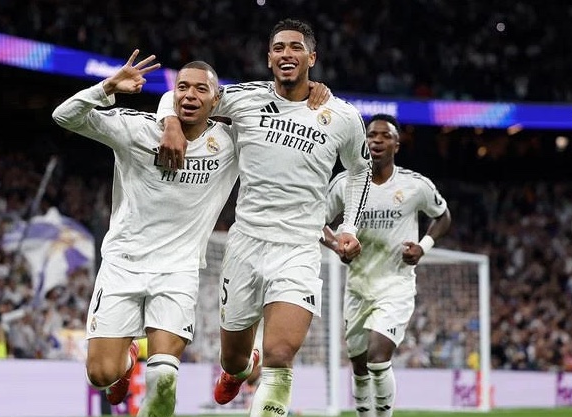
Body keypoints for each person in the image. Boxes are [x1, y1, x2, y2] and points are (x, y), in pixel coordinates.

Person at [156, 19, 372, 415]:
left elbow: (361, 169)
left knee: (280, 354)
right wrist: (170, 123)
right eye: (278, 48)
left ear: (312, 57)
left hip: (299, 249)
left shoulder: (341, 115)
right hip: (246, 244)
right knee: (233, 358)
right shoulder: (244, 98)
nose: (286, 54)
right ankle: (240, 369)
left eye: (295, 47)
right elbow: (181, 94)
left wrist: (348, 227)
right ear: (269, 57)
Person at [52, 51, 239, 416]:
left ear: (216, 100)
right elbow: (64, 116)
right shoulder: (136, 129)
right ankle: (127, 359)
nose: (190, 95)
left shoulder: (230, 143)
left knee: (164, 377)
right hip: (123, 265)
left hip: (178, 271)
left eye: (201, 89)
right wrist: (107, 87)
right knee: (100, 374)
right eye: (182, 87)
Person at [324, 114, 451, 417]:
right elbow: (316, 220)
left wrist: (423, 246)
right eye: (371, 135)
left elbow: (443, 216)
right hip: (358, 287)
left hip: (396, 285)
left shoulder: (415, 185)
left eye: (385, 135)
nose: (377, 140)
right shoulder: (344, 183)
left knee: (378, 359)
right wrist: (336, 245)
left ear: (397, 144)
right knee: (359, 367)